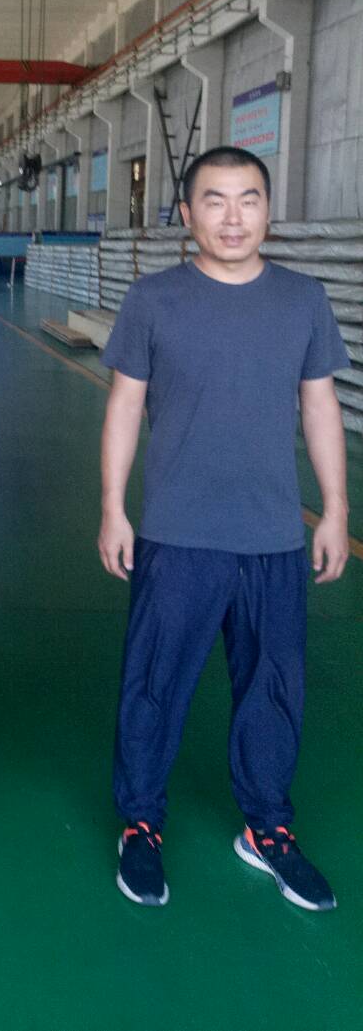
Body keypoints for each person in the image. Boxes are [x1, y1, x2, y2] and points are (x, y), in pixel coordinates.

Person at [98, 145, 350, 911]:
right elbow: (124, 406)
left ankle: (267, 827)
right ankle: (141, 823)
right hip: (177, 533)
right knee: (154, 684)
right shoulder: (154, 298)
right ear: (187, 213)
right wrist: (113, 506)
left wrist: (336, 509)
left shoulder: (303, 298)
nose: (233, 216)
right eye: (215, 199)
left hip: (272, 533)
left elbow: (319, 405)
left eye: (249, 199)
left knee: (273, 687)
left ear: (269, 211)